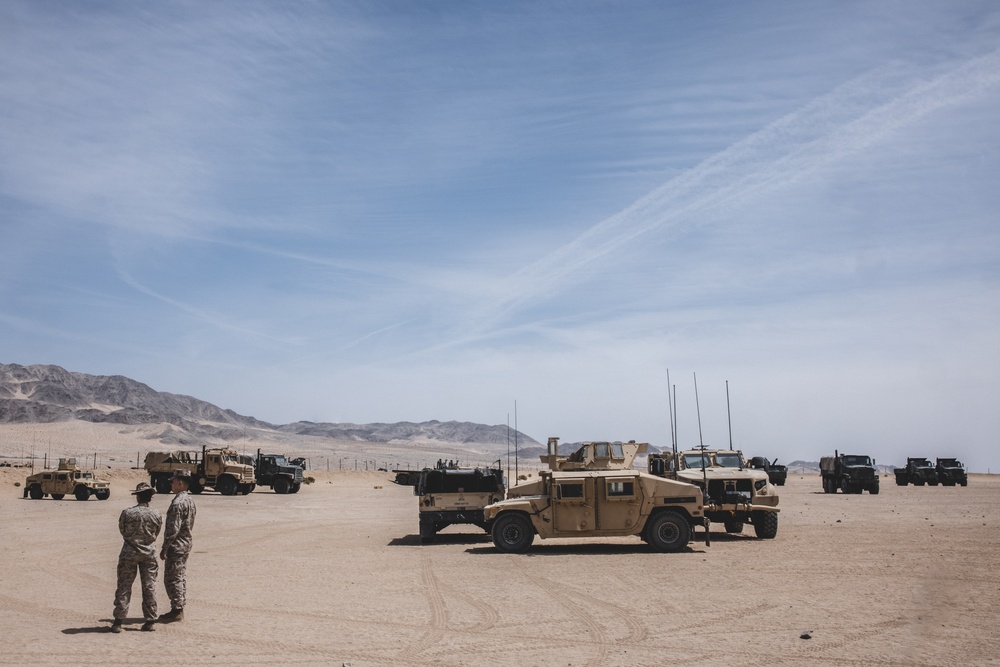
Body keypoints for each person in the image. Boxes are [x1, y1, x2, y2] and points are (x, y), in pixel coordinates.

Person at [112, 481, 162, 633]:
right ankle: (150, 621)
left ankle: (118, 622)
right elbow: (157, 532)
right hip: (149, 554)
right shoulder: (156, 514)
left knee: (124, 586)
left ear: (138, 497)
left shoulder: (127, 513)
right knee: (149, 586)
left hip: (129, 553)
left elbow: (123, 530)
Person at [158, 469, 197, 623]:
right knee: (179, 576)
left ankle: (177, 609)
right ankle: (179, 606)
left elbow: (173, 528)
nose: (171, 485)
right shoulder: (189, 500)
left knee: (172, 578)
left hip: (177, 545)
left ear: (180, 483)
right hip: (185, 542)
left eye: (173, 482)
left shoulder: (178, 502)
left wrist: (165, 547)